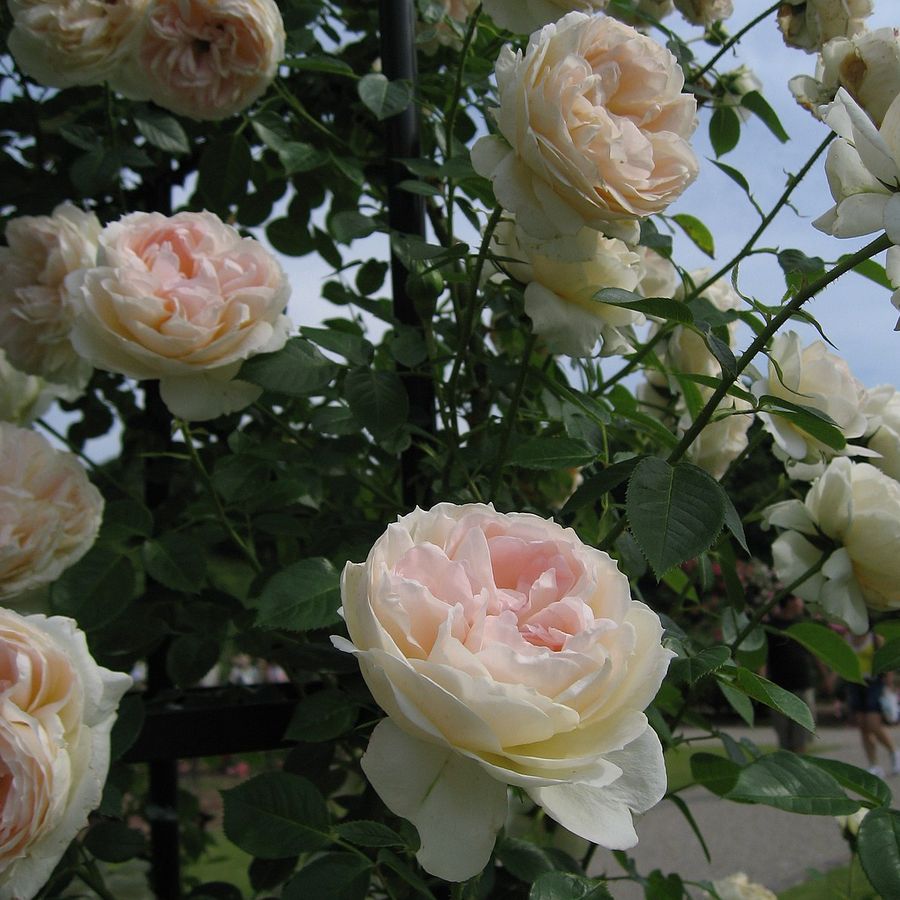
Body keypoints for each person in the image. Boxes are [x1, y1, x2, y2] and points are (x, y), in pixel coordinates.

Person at [845, 630, 900, 777]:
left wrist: (889, 684)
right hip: (855, 683)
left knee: (873, 723)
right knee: (863, 725)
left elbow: (886, 661)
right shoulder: (847, 638)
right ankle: (873, 764)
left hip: (874, 683)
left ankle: (894, 751)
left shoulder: (876, 638)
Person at [766, 596, 817, 753]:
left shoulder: (802, 625)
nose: (802, 604)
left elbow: (814, 652)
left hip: (803, 684)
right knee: (784, 737)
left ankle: (799, 770)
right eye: (799, 600)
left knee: (801, 735)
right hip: (779, 688)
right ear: (789, 602)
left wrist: (826, 675)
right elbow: (763, 656)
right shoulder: (771, 627)